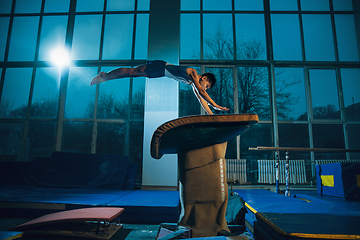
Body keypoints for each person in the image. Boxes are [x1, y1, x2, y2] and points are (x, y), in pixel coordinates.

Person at [90, 60, 229, 115]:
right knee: (131, 72)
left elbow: (201, 99)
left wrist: (211, 115)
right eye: (207, 85)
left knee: (132, 74)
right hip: (160, 67)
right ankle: (104, 76)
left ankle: (105, 76)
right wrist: (216, 105)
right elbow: (201, 92)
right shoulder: (193, 72)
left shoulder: (193, 84)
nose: (205, 88)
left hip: (160, 72)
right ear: (204, 78)